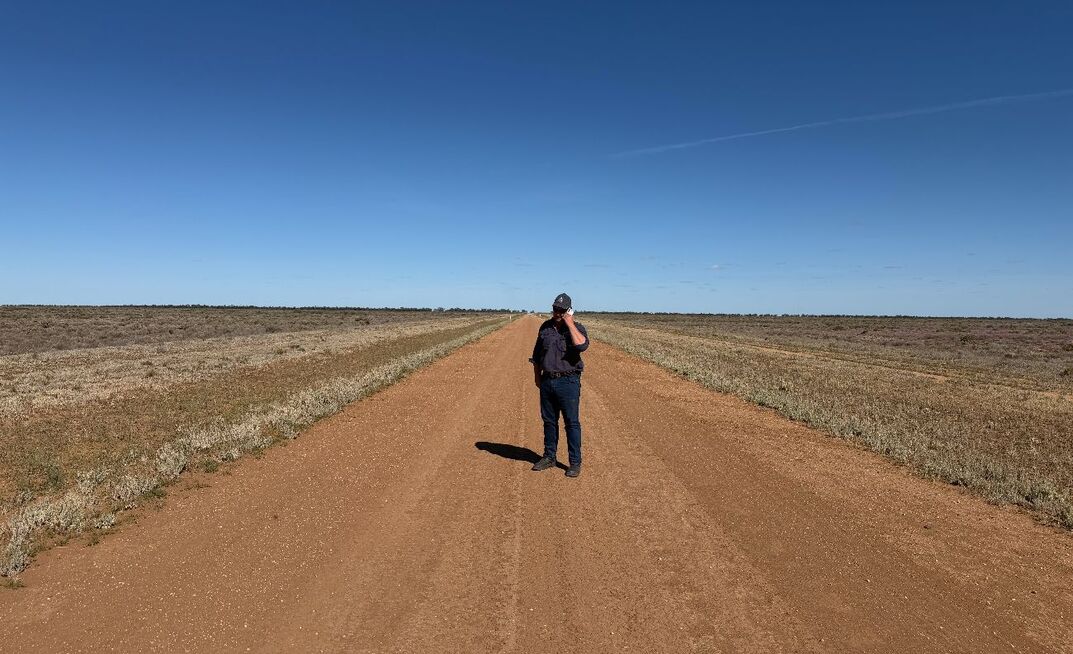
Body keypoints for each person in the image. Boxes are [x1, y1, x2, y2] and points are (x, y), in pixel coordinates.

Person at [529, 292, 589, 478]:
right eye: (556, 309)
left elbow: (582, 345)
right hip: (547, 380)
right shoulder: (545, 327)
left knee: (571, 423)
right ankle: (549, 457)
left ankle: (575, 463)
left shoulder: (577, 329)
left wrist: (569, 323)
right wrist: (537, 377)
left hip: (568, 382)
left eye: (562, 310)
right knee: (549, 421)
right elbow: (537, 355)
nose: (557, 312)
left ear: (569, 311)